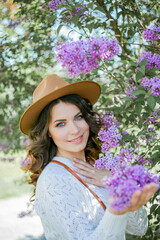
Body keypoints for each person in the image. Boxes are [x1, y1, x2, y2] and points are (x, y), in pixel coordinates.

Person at [19, 74, 158, 240]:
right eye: (60, 124)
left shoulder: (99, 167)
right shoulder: (54, 180)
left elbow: (140, 228)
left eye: (78, 117)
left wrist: (115, 182)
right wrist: (116, 208)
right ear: (48, 132)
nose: (75, 130)